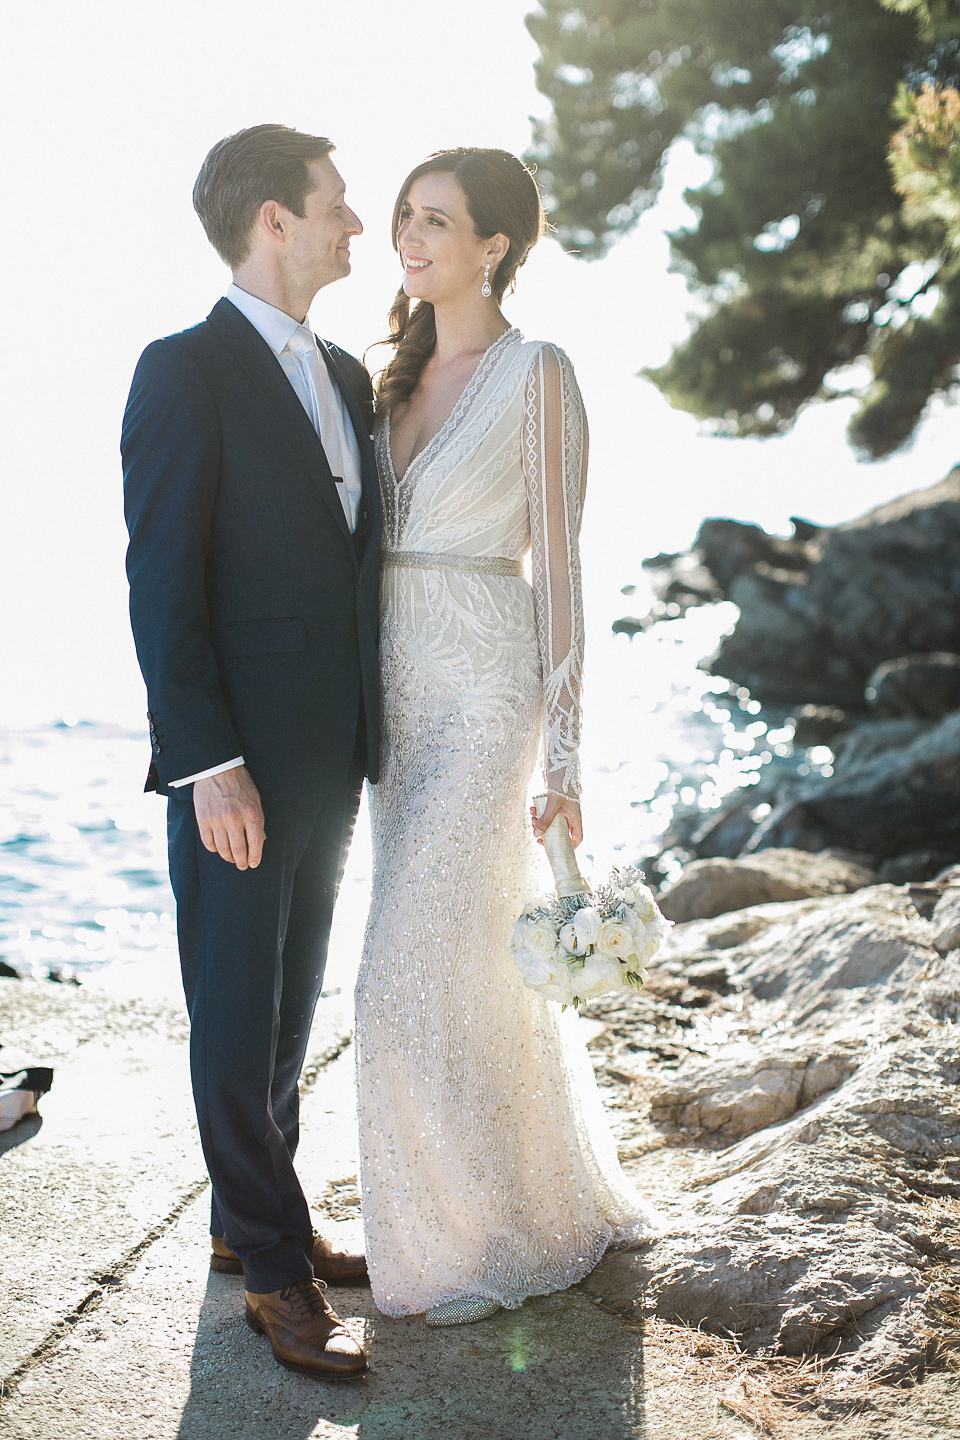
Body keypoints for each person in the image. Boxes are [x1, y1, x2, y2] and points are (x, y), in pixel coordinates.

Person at [356, 148, 658, 1327]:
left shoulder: (540, 371)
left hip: (486, 687)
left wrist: (564, 755)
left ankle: (461, 1242)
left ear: (495, 244)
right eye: (402, 219)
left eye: (436, 222)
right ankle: (508, 1201)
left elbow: (565, 565)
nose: (410, 240)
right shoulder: (389, 375)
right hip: (391, 698)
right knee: (458, 962)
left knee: (399, 973)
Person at [121, 125, 379, 1379]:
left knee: (287, 1008)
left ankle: (249, 1214)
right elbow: (161, 581)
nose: (357, 226)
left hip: (333, 754)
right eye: (338, 206)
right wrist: (204, 758)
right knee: (233, 1012)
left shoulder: (345, 370)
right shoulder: (183, 371)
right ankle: (274, 1277)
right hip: (236, 764)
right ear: (273, 219)